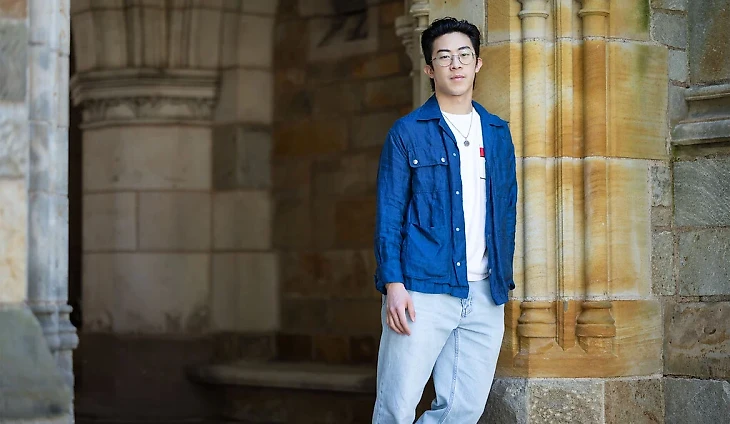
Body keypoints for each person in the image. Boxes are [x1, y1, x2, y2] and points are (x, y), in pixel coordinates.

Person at [371, 17, 518, 424]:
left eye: (464, 55)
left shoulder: (498, 133)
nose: (455, 64)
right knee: (396, 407)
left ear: (477, 64)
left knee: (463, 410)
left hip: (485, 292)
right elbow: (389, 215)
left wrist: (502, 277)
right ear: (429, 69)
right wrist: (393, 285)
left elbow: (506, 211)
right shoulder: (406, 133)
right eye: (444, 57)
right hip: (421, 291)